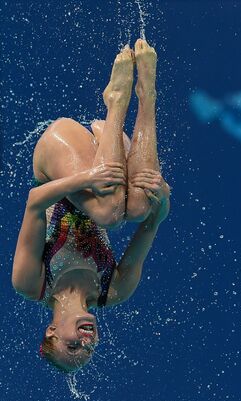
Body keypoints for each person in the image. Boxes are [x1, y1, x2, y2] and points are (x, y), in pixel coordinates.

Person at [11, 39, 171, 373]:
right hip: (107, 155)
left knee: (108, 212)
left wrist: (87, 179)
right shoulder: (113, 290)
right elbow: (152, 224)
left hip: (59, 155)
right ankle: (147, 94)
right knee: (141, 207)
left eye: (73, 345)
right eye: (88, 349)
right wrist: (163, 200)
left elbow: (35, 202)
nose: (87, 340)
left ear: (51, 331)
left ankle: (115, 101)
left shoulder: (31, 283)